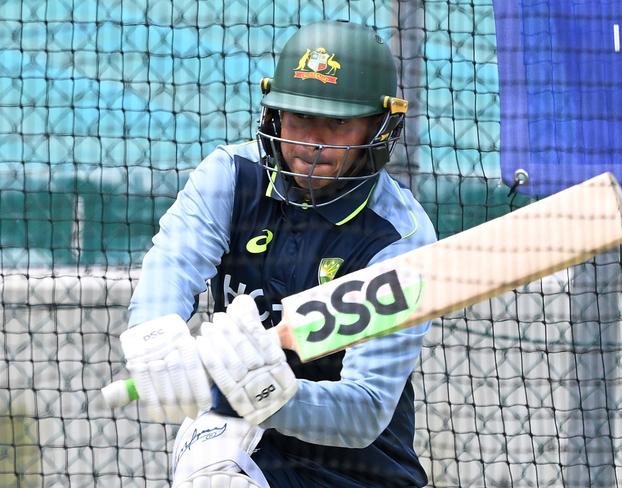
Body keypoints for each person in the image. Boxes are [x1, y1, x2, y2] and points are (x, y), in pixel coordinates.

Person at [120, 19, 436, 488]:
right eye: (300, 117)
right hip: (243, 443)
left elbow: (367, 408)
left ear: (378, 126)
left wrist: (273, 398)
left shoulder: (399, 237)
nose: (312, 143)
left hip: (359, 470)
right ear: (274, 115)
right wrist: (154, 334)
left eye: (338, 124)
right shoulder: (231, 177)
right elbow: (171, 266)